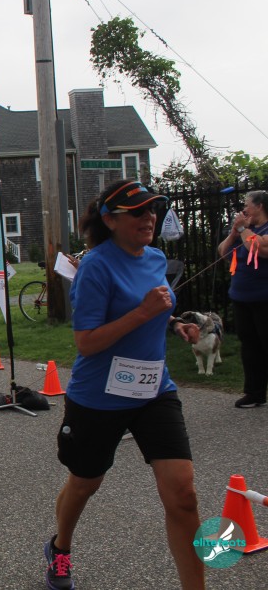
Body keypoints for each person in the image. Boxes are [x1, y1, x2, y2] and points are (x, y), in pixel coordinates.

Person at [45, 180, 203, 590]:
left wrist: (174, 322)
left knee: (183, 495)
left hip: (154, 391)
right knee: (85, 483)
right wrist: (144, 314)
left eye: (153, 210)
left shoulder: (155, 257)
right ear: (110, 220)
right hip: (99, 397)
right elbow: (87, 341)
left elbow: (151, 306)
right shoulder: (96, 266)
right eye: (138, 212)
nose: (149, 218)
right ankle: (60, 549)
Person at [217, 189, 268, 408]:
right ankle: (255, 393)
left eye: (247, 205)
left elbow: (259, 248)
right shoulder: (246, 231)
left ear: (260, 206)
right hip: (241, 297)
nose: (244, 210)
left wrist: (242, 229)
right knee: (250, 346)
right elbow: (223, 252)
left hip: (264, 299)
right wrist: (233, 233)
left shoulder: (260, 231)